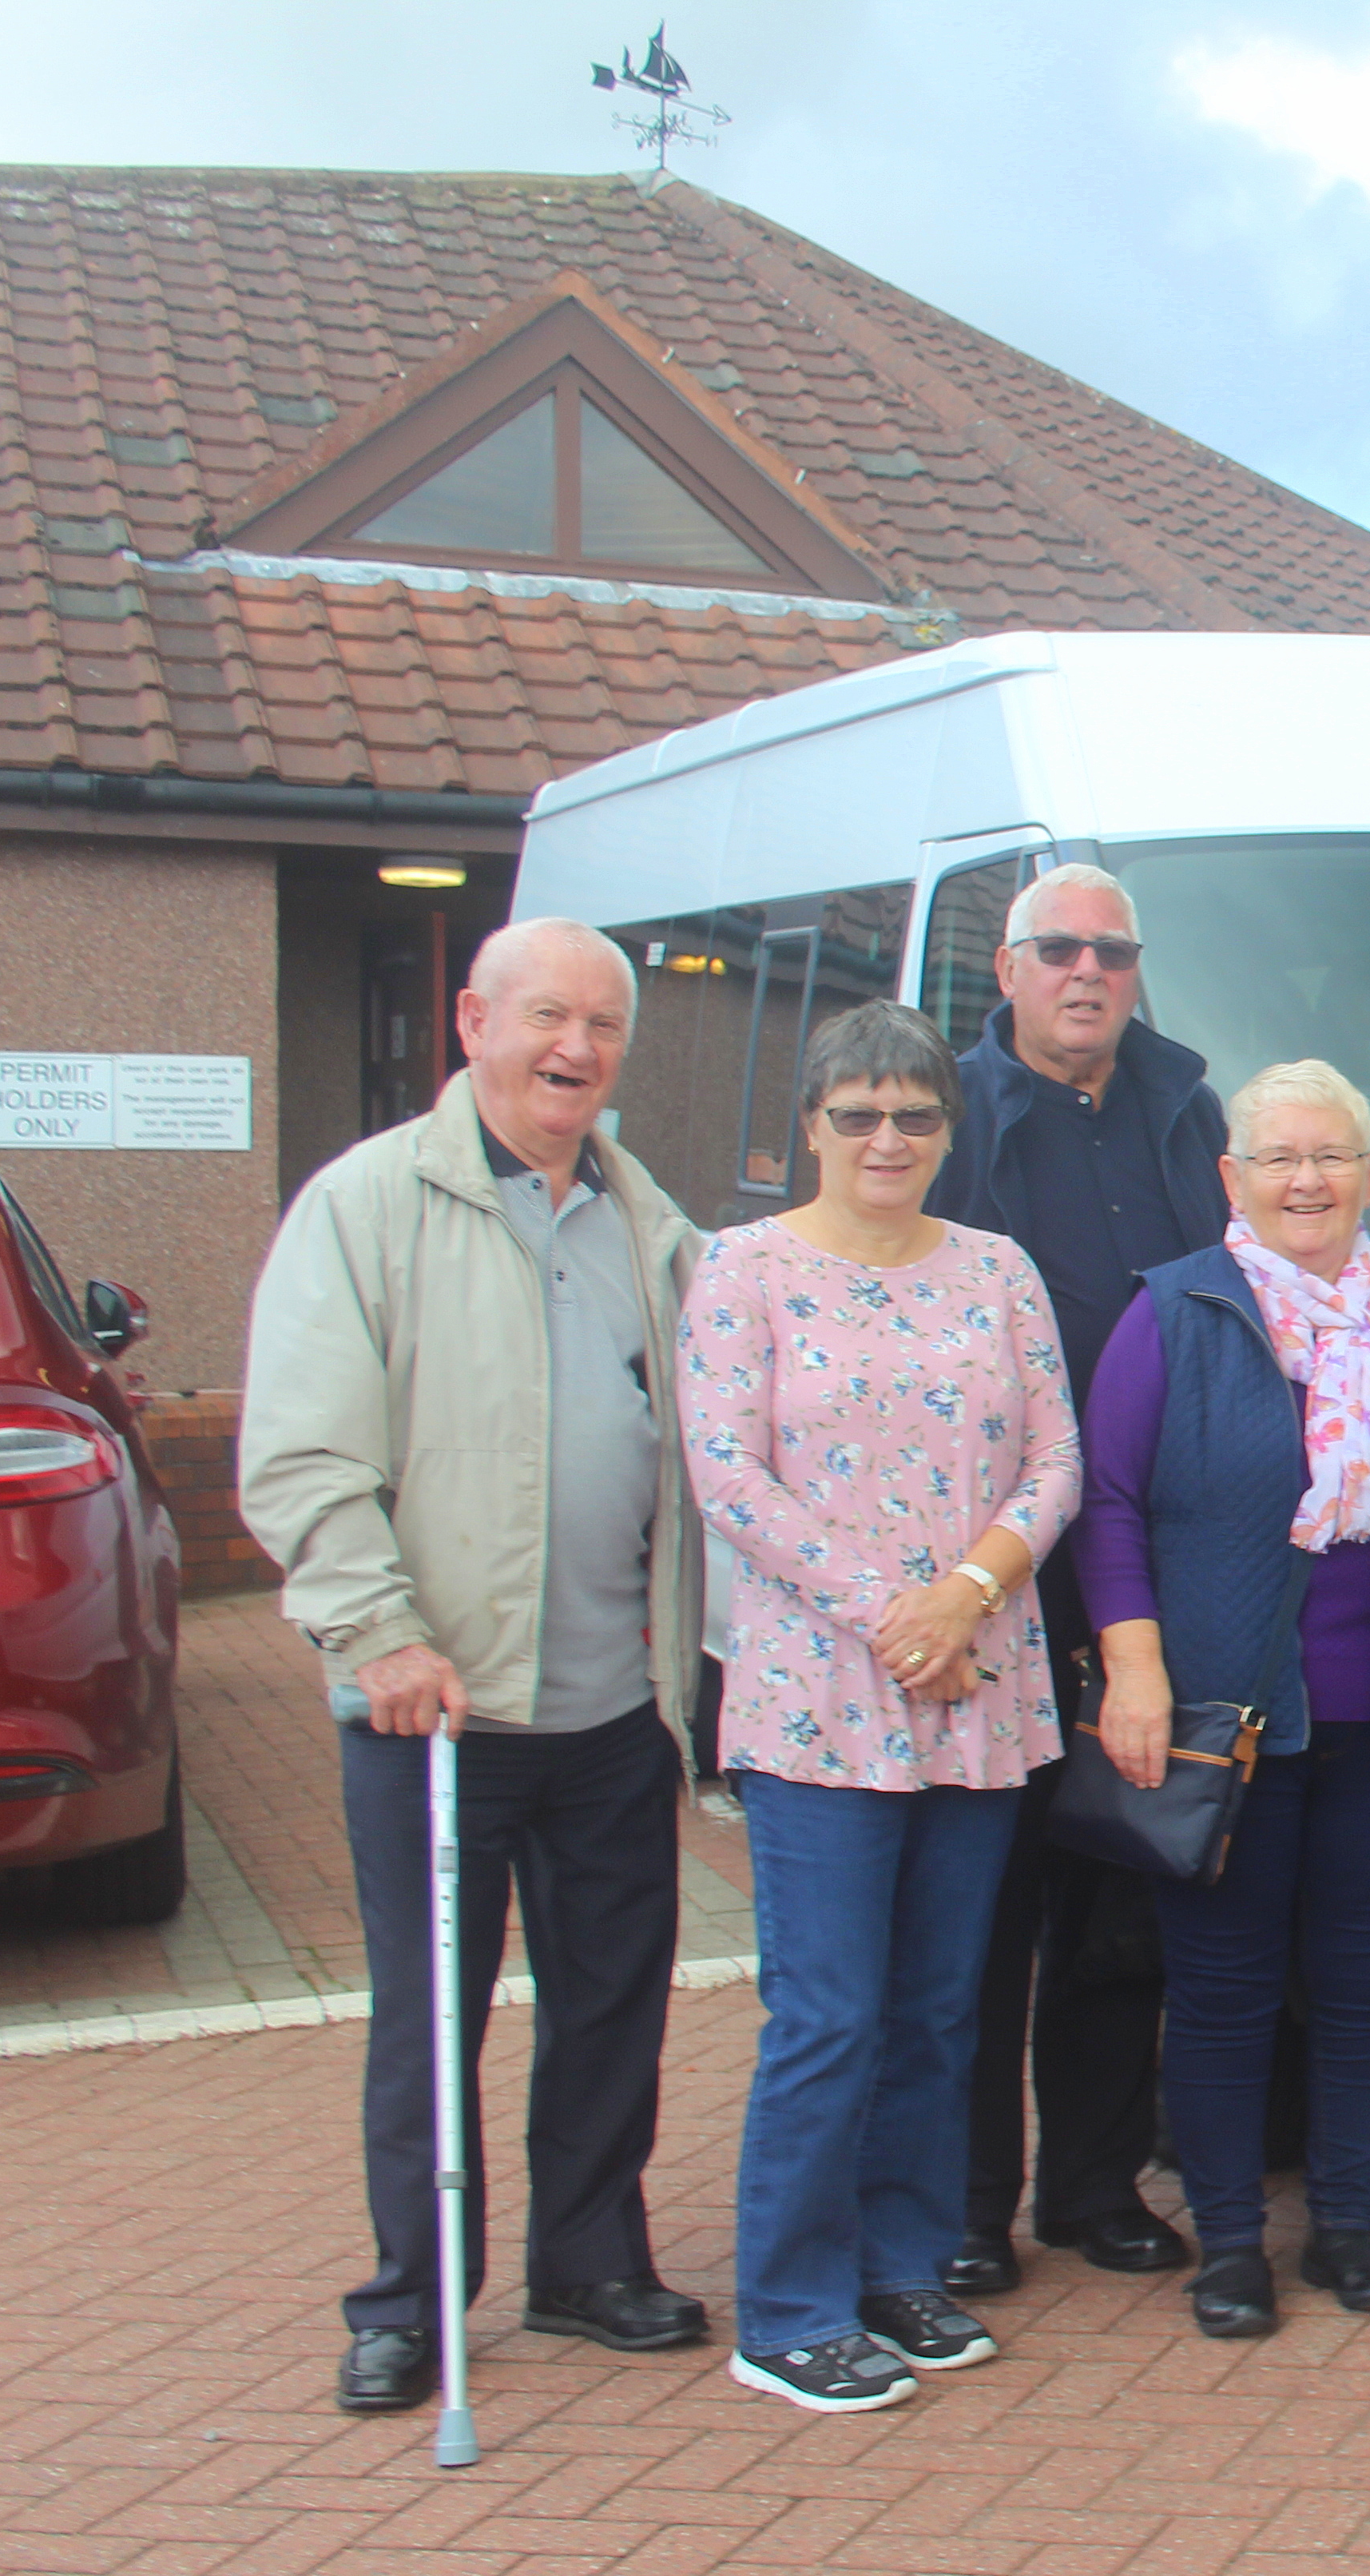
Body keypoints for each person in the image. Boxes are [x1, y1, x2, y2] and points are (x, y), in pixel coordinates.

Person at [242, 916, 712, 2417]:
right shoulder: (369, 1207)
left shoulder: (654, 1227)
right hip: (434, 1705)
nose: (573, 1051)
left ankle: (585, 2263)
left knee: (612, 2004)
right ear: (472, 1022)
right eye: (546, 1019)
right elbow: (307, 1453)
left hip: (614, 1708)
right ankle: (411, 2298)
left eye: (603, 1028)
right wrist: (373, 1626)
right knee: (429, 2015)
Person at [677, 1002, 1081, 2408]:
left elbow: (1055, 1461)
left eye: (913, 1114)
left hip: (979, 1685)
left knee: (936, 2008)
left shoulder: (1000, 1271)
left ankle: (902, 2267)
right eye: (858, 1115)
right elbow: (730, 1474)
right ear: (813, 1127)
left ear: (945, 1129)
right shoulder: (744, 1272)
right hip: (820, 1701)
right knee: (829, 2011)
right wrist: (896, 1615)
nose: (887, 1139)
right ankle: (789, 2306)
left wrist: (963, 1596)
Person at [1076, 1059, 1370, 2334]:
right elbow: (1107, 1502)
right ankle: (1229, 2247)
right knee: (1222, 1990)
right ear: (1234, 1179)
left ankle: (1348, 2232)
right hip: (1225, 1724)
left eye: (1331, 1158)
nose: (1305, 1180)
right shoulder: (1174, 1311)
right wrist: (1134, 1667)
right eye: (1278, 1158)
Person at [922, 863, 1231, 2294]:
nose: (1088, 972)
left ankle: (1096, 2185)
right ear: (1009, 967)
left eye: (1113, 950)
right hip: (996, 1566)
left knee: (1120, 1880)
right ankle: (973, 2204)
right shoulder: (954, 1117)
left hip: (1147, 1563)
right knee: (985, 1911)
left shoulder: (1186, 1101)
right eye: (1061, 949)